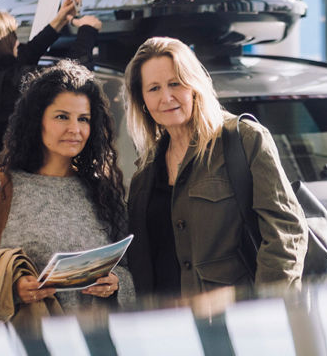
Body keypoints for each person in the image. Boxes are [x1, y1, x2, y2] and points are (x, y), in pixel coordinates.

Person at [0, 60, 134, 317]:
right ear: (36, 120)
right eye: (62, 116)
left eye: (83, 119)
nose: (75, 129)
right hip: (21, 351)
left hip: (90, 350)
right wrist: (10, 291)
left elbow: (130, 275)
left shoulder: (103, 192)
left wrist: (117, 285)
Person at [122, 37, 306, 299]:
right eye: (153, 88)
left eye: (175, 83)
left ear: (194, 86)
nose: (166, 97)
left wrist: (266, 307)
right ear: (142, 101)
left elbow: (285, 232)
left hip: (234, 322)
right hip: (165, 326)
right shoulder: (145, 172)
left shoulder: (243, 139)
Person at [0, 0, 101, 238]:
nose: (18, 41)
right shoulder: (15, 81)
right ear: (3, 43)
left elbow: (27, 55)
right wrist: (88, 32)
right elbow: (72, 79)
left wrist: (59, 20)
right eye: (13, 36)